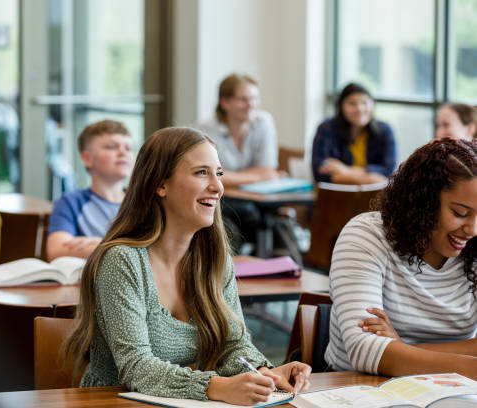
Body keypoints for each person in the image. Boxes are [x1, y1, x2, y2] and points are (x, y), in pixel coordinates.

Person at [63, 127, 311, 405]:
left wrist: (265, 373)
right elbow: (136, 367)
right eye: (201, 173)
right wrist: (216, 387)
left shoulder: (214, 259)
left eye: (219, 173)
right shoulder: (122, 260)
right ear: (161, 185)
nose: (217, 187)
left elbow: (233, 345)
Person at [325, 138, 477, 379]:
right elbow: (364, 349)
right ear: (425, 202)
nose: (472, 230)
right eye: (460, 213)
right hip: (357, 388)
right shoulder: (367, 235)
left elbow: (381, 351)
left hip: (451, 392)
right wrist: (467, 366)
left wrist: (402, 349)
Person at [197, 74, 283, 253]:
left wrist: (230, 177)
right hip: (220, 201)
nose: (251, 105)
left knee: (279, 231)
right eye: (244, 99)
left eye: (254, 99)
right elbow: (210, 177)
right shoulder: (203, 130)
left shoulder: (264, 122)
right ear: (225, 103)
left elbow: (267, 169)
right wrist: (256, 177)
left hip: (254, 201)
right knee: (229, 233)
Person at [47, 120, 133, 260]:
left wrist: (102, 244)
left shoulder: (145, 202)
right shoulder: (70, 202)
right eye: (111, 147)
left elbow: (157, 249)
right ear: (87, 158)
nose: (123, 153)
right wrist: (130, 246)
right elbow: (56, 250)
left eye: (128, 148)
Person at [311, 83, 396, 184]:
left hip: (374, 196)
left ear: (372, 104)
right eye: (352, 103)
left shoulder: (385, 130)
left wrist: (345, 170)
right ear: (341, 106)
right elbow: (319, 172)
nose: (359, 109)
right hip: (336, 194)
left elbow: (388, 171)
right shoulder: (326, 128)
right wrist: (371, 178)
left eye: (364, 102)